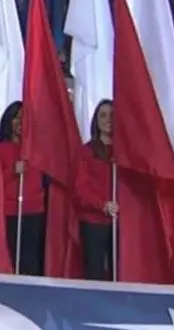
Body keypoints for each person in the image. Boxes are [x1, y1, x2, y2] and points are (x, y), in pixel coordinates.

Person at [0, 101, 45, 276]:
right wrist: (12, 171)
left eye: (24, 118)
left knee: (30, 258)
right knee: (11, 255)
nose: (20, 122)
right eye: (16, 118)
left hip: (34, 209)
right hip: (10, 210)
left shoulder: (37, 149)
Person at [74, 99, 117, 280]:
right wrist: (103, 205)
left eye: (112, 115)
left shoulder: (124, 153)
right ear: (96, 121)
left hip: (120, 221)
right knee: (95, 270)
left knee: (119, 270)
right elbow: (80, 189)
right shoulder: (86, 151)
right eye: (103, 115)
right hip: (94, 220)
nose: (108, 120)